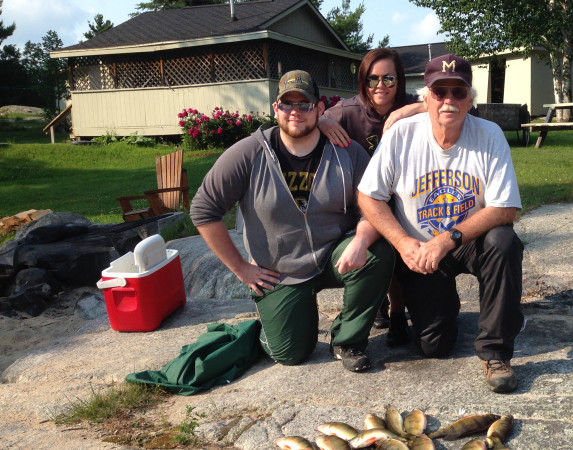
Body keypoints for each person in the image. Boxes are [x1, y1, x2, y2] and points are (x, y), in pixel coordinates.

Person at [190, 70, 394, 373]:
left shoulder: (347, 152)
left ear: (320, 108)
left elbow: (375, 206)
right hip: (279, 271)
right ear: (276, 109)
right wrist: (242, 269)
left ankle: (347, 338)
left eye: (305, 104)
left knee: (379, 253)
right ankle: (285, 319)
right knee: (291, 353)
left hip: (332, 257)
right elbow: (204, 210)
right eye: (287, 104)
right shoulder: (248, 153)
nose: (295, 112)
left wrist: (361, 240)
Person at [357, 54, 524, 393]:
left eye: (458, 92)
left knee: (504, 242)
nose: (449, 100)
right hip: (420, 251)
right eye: (440, 92)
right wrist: (404, 244)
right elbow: (368, 197)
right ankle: (451, 310)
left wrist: (447, 240)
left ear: (470, 99)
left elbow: (505, 209)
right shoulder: (401, 135)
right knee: (435, 346)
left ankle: (495, 350)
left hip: (468, 240)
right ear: (426, 98)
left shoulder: (489, 135)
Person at [319, 47, 424, 346]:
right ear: (363, 82)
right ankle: (381, 306)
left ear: (399, 81)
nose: (380, 86)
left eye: (389, 79)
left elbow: (448, 101)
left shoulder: (409, 106)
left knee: (402, 243)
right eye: (372, 79)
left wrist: (408, 111)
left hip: (403, 193)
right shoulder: (348, 111)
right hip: (362, 197)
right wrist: (324, 120)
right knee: (377, 244)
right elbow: (308, 118)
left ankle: (397, 312)